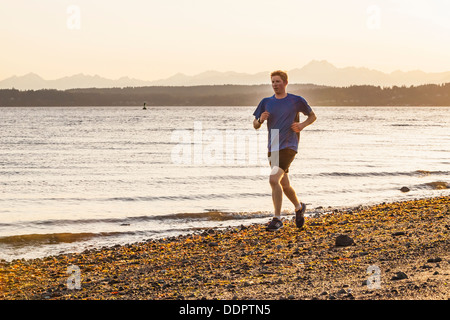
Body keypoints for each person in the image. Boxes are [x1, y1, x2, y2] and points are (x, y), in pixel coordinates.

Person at [253, 70, 317, 231]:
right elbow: (255, 124)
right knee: (284, 184)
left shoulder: (296, 100)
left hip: (289, 144)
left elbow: (312, 116)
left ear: (285, 83)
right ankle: (298, 207)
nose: (275, 84)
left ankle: (277, 219)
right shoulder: (266, 102)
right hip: (273, 143)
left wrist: (302, 125)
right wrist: (260, 120)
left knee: (273, 179)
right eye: (273, 82)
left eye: (278, 81)